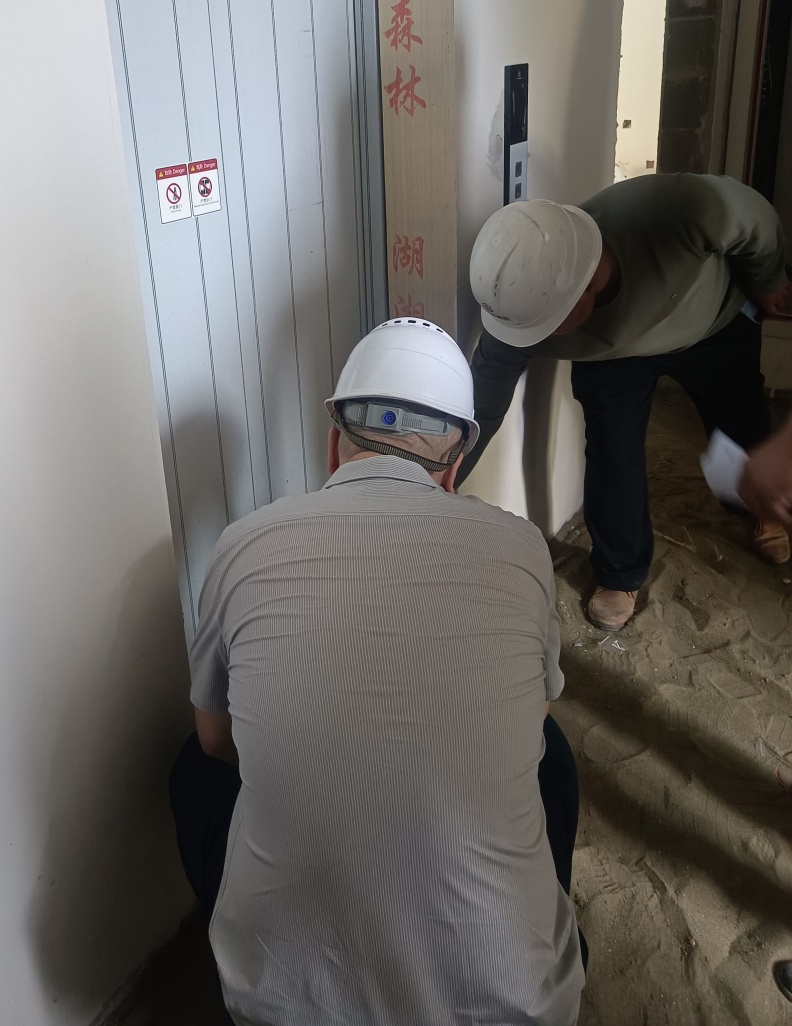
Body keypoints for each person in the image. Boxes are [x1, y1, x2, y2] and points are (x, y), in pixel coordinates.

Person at [169, 318, 586, 1026]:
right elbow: (533, 716)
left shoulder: (242, 545)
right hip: (515, 1008)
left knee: (192, 766)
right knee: (553, 758)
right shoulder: (521, 549)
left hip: (285, 1008)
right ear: (454, 465)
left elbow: (215, 740)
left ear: (335, 441)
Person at [459, 173, 792, 632]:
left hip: (712, 326)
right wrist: (440, 473)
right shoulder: (522, 301)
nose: (533, 339)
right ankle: (619, 573)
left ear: (587, 284)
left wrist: (768, 280)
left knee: (740, 421)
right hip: (613, 359)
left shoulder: (679, 209)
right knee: (612, 450)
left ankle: (759, 510)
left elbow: (754, 221)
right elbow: (483, 399)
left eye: (543, 326)